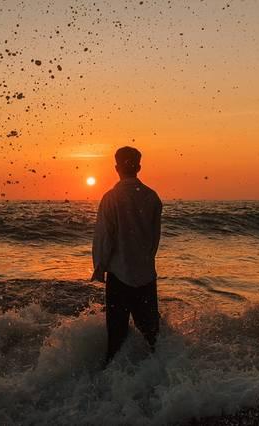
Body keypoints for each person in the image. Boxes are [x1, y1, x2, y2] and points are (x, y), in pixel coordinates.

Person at [91, 146, 162, 367]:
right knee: (152, 337)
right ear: (139, 167)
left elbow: (105, 237)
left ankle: (109, 387)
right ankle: (159, 384)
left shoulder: (111, 198)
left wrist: (99, 267)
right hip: (146, 276)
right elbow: (154, 239)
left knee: (116, 338)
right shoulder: (152, 197)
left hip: (119, 276)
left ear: (116, 168)